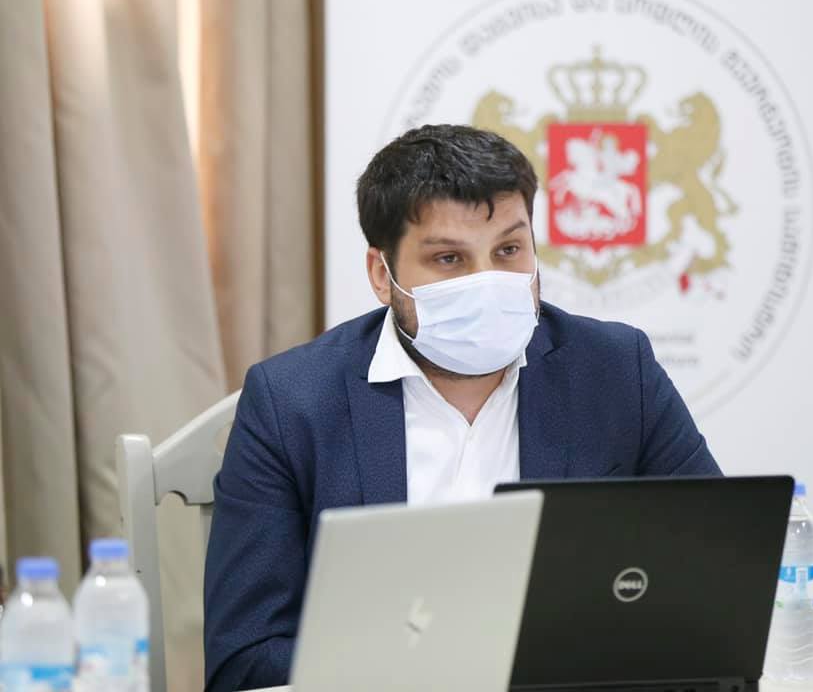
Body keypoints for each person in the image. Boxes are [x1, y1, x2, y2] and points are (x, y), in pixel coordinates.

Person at [203, 124, 721, 692]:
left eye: (508, 250)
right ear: (382, 275)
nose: (487, 282)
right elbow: (245, 658)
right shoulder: (290, 402)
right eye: (449, 258)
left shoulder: (617, 370)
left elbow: (716, 576)